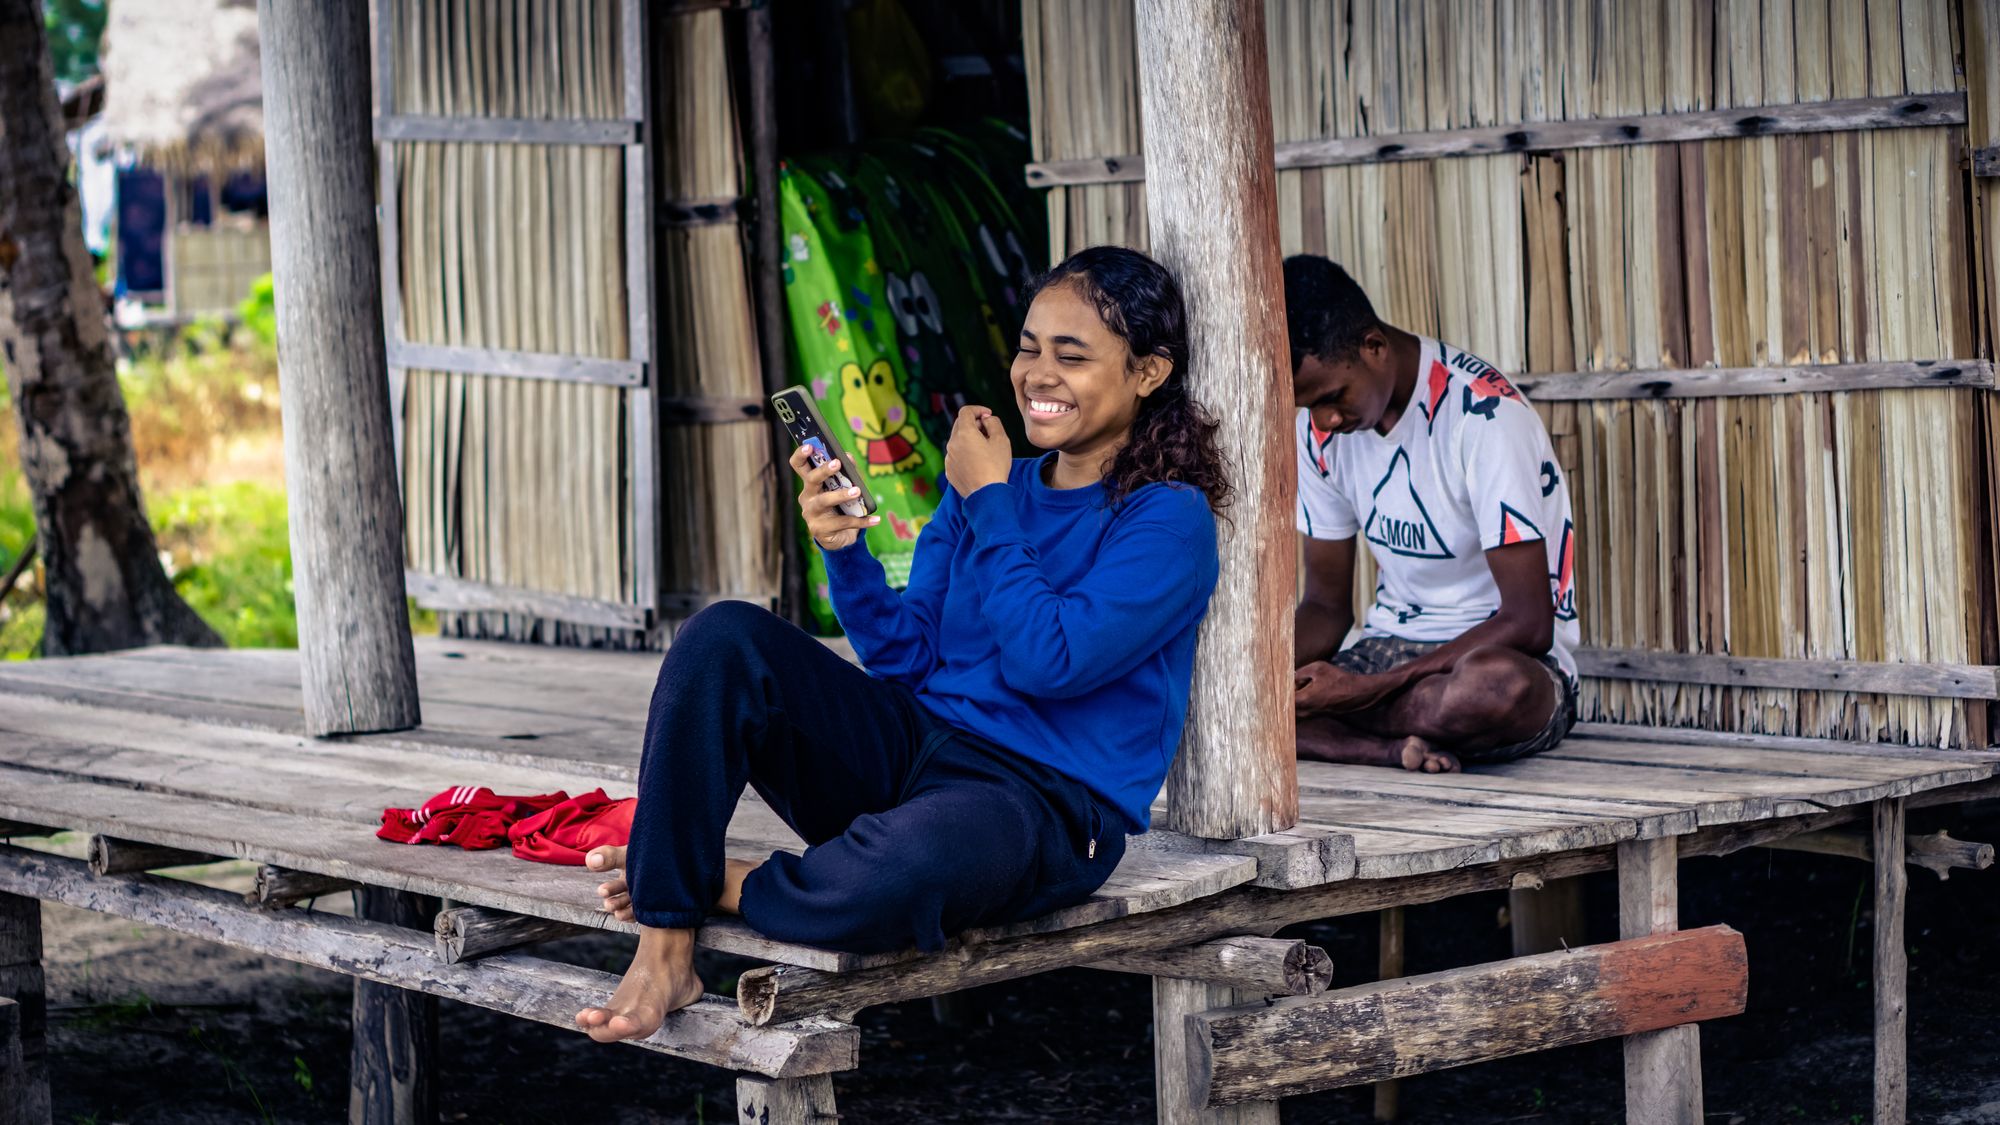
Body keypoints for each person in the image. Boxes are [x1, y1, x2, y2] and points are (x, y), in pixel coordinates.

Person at [573, 245, 1228, 1042]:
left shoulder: (1166, 519)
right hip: (917, 747)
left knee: (908, 862)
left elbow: (1048, 660)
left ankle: (710, 877)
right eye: (1028, 347)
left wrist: (989, 497)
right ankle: (666, 945)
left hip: (1040, 805)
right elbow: (906, 657)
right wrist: (844, 551)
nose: (1037, 373)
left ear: (1148, 373)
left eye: (1072, 355)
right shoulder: (991, 482)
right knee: (722, 640)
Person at [1286, 255, 1579, 774]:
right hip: (1387, 649)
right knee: (1248, 695)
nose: (1326, 421)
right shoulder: (1320, 434)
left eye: (1333, 397)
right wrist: (1265, 676)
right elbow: (1327, 606)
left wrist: (1364, 693)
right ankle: (1385, 749)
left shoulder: (1483, 416)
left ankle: (1343, 730)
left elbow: (1530, 623)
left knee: (1492, 692)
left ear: (1373, 348)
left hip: (1497, 654)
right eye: (1309, 408)